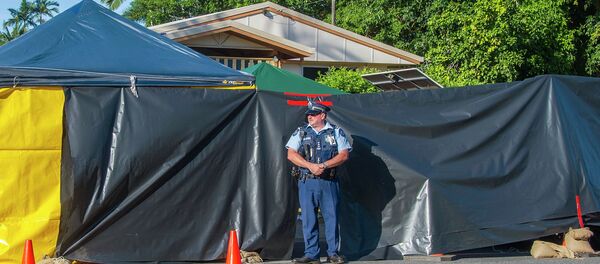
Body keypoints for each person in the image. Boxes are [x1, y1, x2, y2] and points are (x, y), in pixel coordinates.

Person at [286, 101, 351, 264]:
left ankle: (333, 253)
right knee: (308, 219)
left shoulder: (336, 132)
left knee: (332, 218)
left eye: (313, 115)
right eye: (308, 115)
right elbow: (291, 154)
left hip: (328, 181)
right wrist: (310, 166)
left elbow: (344, 155)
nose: (310, 117)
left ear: (323, 115)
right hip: (307, 182)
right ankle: (311, 254)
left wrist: (323, 165)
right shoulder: (301, 132)